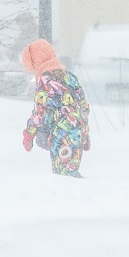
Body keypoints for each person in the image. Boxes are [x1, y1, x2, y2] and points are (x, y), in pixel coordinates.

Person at [20, 39, 91, 177]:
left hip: (63, 134)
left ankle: (89, 195)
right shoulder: (69, 77)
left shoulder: (46, 82)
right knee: (70, 171)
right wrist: (84, 132)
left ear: (35, 62)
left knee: (63, 176)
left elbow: (39, 114)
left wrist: (28, 134)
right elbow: (83, 106)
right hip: (78, 131)